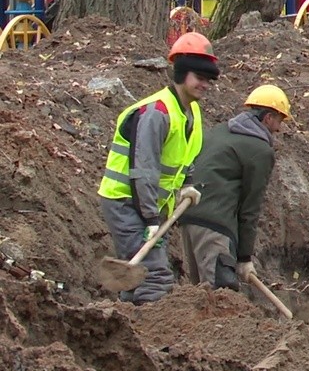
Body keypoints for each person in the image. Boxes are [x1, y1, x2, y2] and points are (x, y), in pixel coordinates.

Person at [97, 32, 219, 304]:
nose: (205, 84)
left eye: (208, 79)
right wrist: (151, 219)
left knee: (136, 277)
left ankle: (128, 324)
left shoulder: (192, 112)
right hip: (125, 201)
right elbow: (143, 170)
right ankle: (155, 339)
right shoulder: (156, 113)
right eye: (199, 78)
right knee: (155, 276)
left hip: (146, 204)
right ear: (182, 74)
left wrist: (186, 184)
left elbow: (184, 156)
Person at [179, 85, 291, 290]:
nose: (279, 128)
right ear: (268, 117)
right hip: (215, 226)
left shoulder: (219, 132)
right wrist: (244, 257)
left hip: (187, 217)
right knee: (220, 296)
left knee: (198, 298)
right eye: (279, 120)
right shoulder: (260, 150)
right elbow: (250, 207)